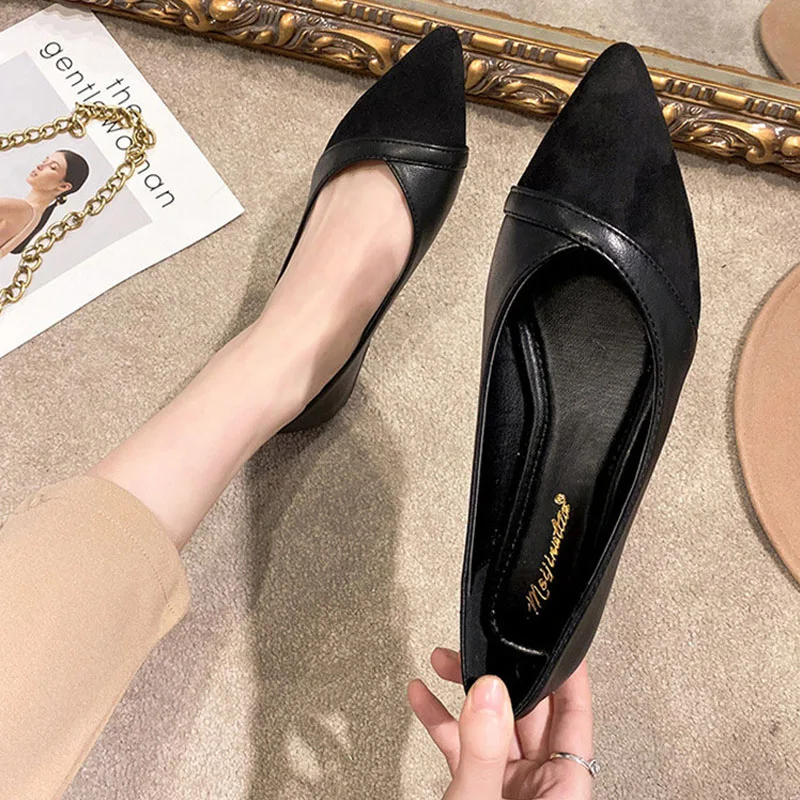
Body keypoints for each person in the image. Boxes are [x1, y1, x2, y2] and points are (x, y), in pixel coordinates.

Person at [0, 148, 89, 258]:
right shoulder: (34, 217)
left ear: (63, 186)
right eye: (44, 161)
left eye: (52, 167)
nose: (40, 166)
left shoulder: (22, 210)